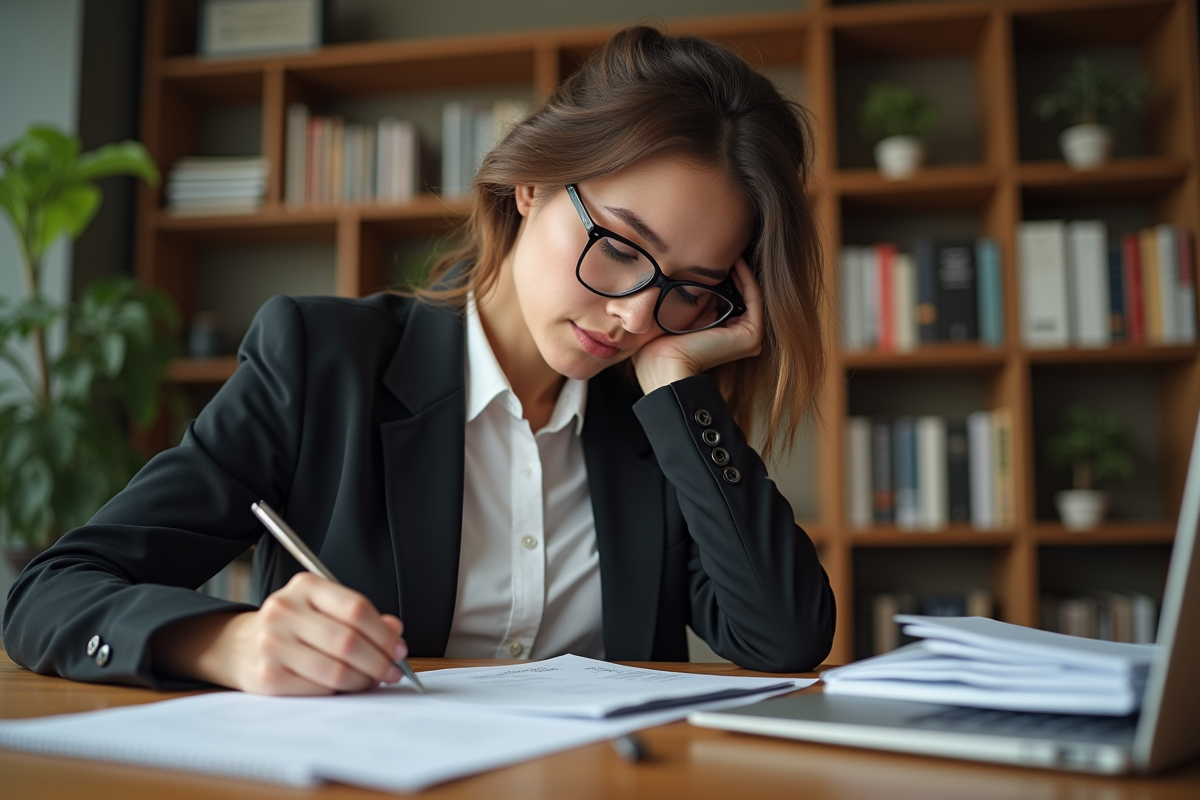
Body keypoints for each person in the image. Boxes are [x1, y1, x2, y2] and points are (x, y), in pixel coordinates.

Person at [3, 26, 835, 695]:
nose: (636, 314)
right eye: (620, 246)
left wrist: (681, 390)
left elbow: (783, 640)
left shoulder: (658, 425)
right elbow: (53, 593)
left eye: (690, 289)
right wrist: (228, 642)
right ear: (534, 186)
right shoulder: (321, 362)